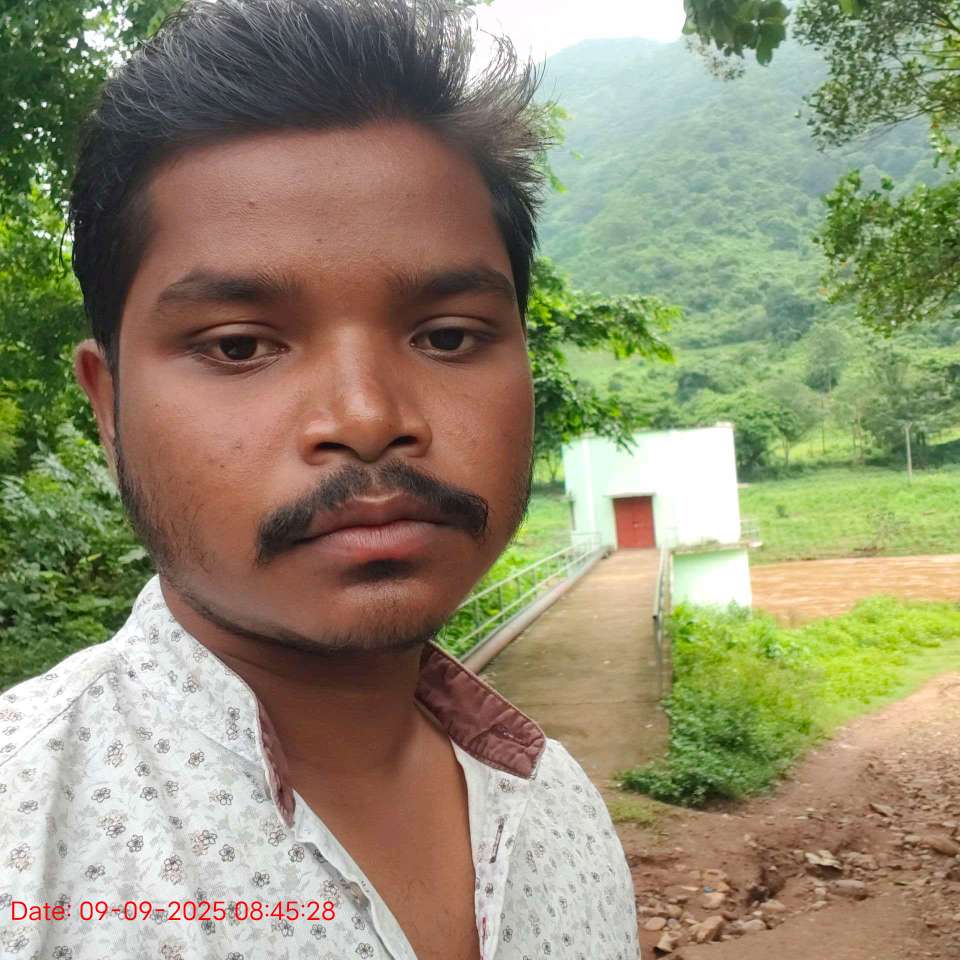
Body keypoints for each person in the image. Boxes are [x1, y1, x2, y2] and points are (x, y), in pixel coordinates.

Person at [0, 1, 639, 957]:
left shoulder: (562, 809)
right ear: (110, 404)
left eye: (448, 336)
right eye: (240, 346)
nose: (368, 416)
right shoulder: (24, 842)